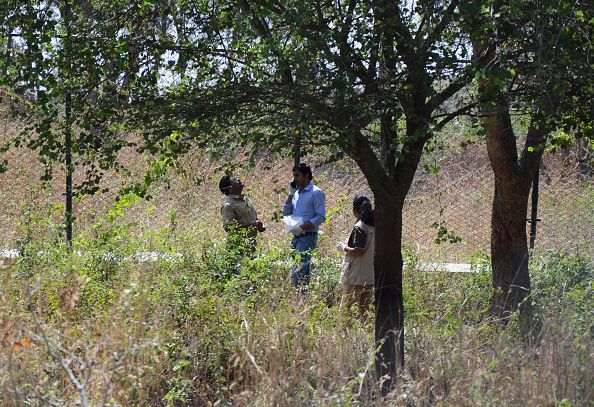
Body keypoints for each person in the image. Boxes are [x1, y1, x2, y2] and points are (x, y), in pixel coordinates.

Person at [283, 163, 326, 287]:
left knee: (299, 270)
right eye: (293, 175)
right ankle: (300, 298)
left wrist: (302, 227)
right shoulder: (296, 193)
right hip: (296, 237)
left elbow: (321, 217)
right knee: (297, 270)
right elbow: (286, 213)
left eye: (297, 176)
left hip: (308, 236)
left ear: (307, 176)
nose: (294, 179)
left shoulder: (316, 192)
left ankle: (299, 297)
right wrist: (290, 194)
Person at [337, 195, 375, 318]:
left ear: (355, 209)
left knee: (346, 308)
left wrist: (343, 247)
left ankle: (342, 333)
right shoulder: (375, 225)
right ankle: (366, 333)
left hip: (356, 274)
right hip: (369, 274)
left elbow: (359, 251)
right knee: (365, 309)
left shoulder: (360, 227)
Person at [219, 175, 265, 255]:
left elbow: (253, 218)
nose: (239, 180)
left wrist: (258, 225)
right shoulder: (228, 205)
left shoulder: (246, 200)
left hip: (251, 245)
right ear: (230, 188)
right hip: (237, 248)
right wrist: (250, 224)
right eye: (235, 180)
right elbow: (228, 227)